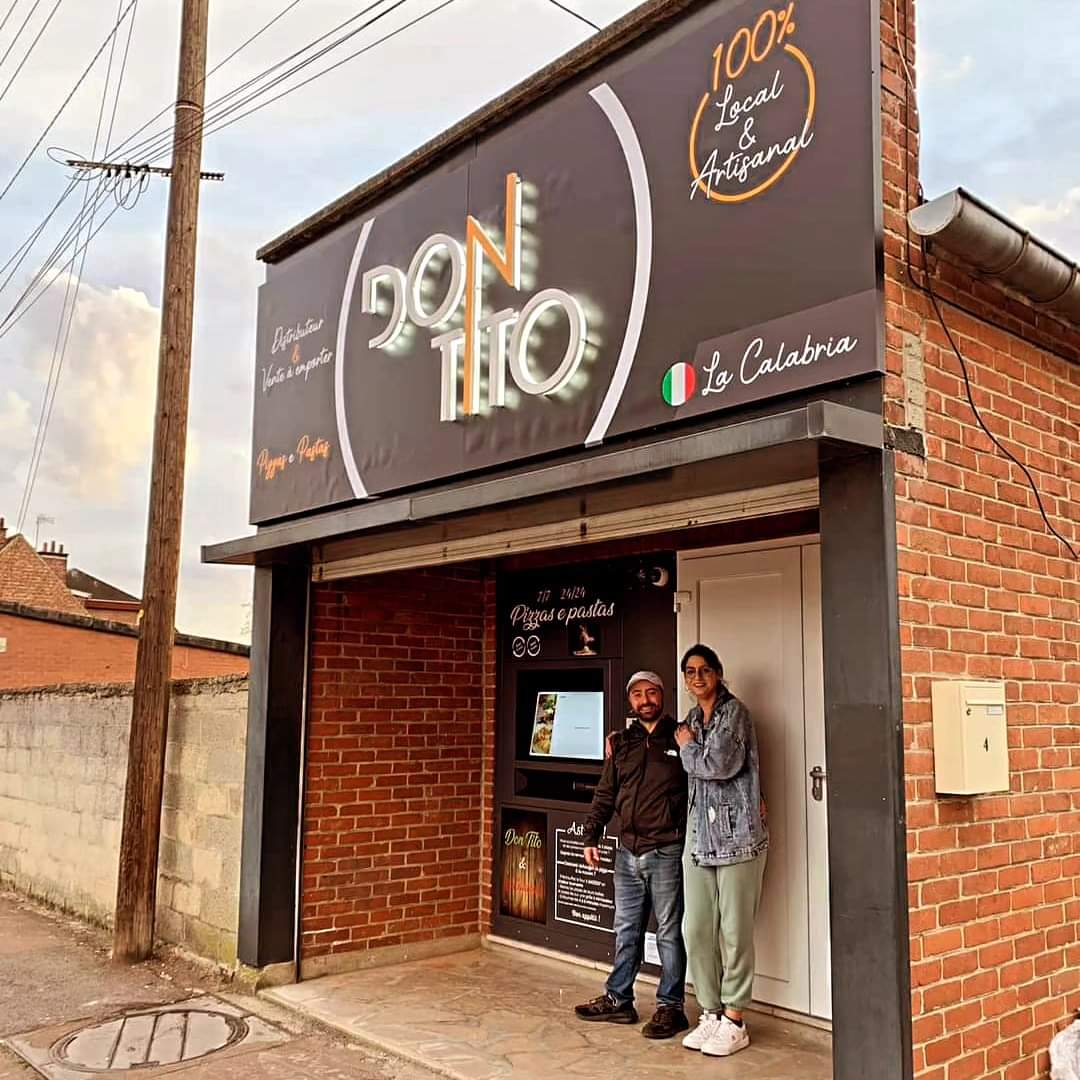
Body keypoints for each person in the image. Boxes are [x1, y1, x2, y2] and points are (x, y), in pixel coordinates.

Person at [573, 671, 689, 1040]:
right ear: (630, 701)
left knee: (669, 932)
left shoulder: (681, 737)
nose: (645, 700)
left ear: (662, 695)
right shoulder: (621, 743)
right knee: (626, 929)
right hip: (627, 852)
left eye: (651, 692)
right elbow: (606, 794)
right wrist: (591, 835)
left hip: (666, 850)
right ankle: (619, 999)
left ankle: (671, 1007)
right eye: (637, 694)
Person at [675, 643, 768, 1058]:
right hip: (699, 838)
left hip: (738, 837)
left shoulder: (735, 714)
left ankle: (734, 1017)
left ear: (718, 673)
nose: (697, 677)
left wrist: (687, 747)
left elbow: (718, 765)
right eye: (690, 671)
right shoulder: (692, 719)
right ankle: (710, 1011)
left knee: (734, 931)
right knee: (695, 928)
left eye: (705, 670)